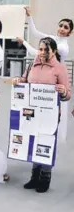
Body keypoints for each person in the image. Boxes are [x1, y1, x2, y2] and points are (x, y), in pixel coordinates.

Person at [13, 37, 71, 193]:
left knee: (46, 143)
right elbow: (24, 81)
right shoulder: (32, 64)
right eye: (41, 49)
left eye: (47, 49)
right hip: (32, 112)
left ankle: (45, 177)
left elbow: (68, 95)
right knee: (33, 140)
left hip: (50, 114)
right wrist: (18, 81)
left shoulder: (60, 68)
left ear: (54, 51)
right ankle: (34, 176)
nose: (43, 52)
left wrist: (63, 91)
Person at [16, 7, 73, 143]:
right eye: (60, 25)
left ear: (70, 32)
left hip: (53, 79)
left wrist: (24, 42)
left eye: (66, 27)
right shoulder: (52, 39)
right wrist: (29, 16)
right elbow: (35, 33)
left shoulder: (63, 47)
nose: (62, 29)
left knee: (51, 119)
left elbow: (38, 52)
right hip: (41, 77)